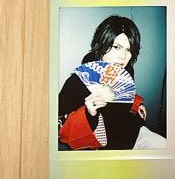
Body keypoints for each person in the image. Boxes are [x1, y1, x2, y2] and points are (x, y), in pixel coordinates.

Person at [58, 15, 167, 151]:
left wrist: (135, 103)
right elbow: (62, 129)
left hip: (134, 133)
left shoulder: (126, 71)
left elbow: (123, 95)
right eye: (116, 47)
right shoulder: (76, 83)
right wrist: (89, 113)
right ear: (101, 45)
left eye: (128, 50)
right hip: (103, 148)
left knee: (167, 149)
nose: (123, 57)